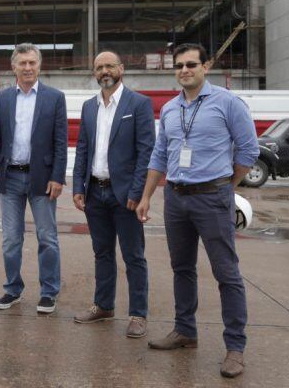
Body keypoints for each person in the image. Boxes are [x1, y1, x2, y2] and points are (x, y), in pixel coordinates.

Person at [136, 44, 259, 378]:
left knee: (226, 273)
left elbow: (249, 149)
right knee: (182, 269)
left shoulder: (227, 103)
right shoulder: (171, 109)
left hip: (212, 197)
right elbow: (160, 155)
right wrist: (147, 196)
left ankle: (235, 347)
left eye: (191, 64)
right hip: (175, 197)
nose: (184, 69)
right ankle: (185, 330)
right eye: (179, 65)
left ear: (206, 66)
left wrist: (225, 186)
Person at [72, 51, 155, 337]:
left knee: (134, 256)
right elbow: (83, 147)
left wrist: (137, 191)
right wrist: (77, 187)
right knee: (102, 252)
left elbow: (146, 152)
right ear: (94, 73)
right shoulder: (88, 106)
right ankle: (104, 305)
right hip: (95, 192)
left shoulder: (139, 104)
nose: (104, 70)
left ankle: (138, 314)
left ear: (121, 68)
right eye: (98, 67)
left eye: (109, 65)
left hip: (125, 196)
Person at [0, 43, 67, 314]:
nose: (28, 67)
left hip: (42, 178)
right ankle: (12, 289)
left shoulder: (54, 98)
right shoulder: (4, 97)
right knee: (10, 239)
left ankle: (48, 291)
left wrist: (58, 177)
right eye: (23, 63)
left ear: (39, 65)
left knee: (47, 237)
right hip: (10, 177)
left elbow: (60, 141)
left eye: (32, 63)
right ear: (14, 67)